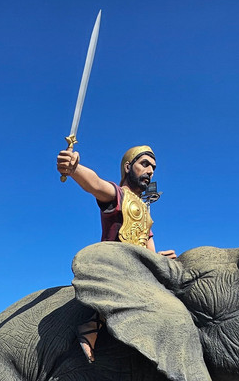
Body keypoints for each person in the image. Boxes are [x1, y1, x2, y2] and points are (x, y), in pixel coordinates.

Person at [55, 145, 177, 361]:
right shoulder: (118, 196)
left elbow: (149, 249)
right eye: (144, 164)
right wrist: (74, 169)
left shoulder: (145, 211)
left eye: (153, 168)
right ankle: (93, 324)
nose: (150, 171)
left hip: (138, 270)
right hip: (114, 267)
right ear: (128, 167)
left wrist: (160, 260)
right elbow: (96, 184)